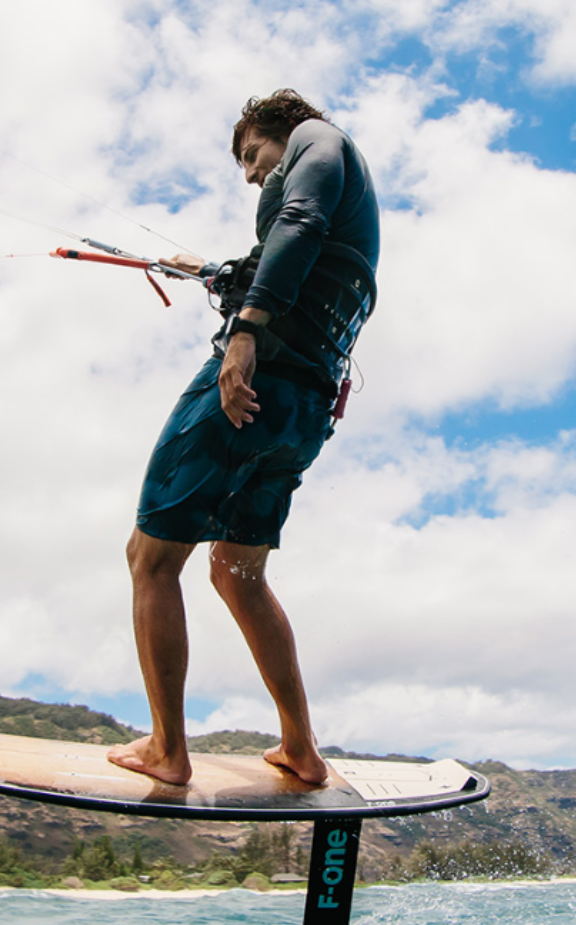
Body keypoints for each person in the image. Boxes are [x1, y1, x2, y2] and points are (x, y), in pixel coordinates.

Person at [106, 90, 380, 786]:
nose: (254, 175)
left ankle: (167, 749)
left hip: (257, 387)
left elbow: (299, 218)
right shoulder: (349, 200)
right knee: (237, 570)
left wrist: (246, 331)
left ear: (278, 129)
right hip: (305, 409)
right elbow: (302, 254)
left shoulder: (317, 138)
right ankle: (301, 749)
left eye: (253, 157)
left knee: (151, 555)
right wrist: (213, 270)